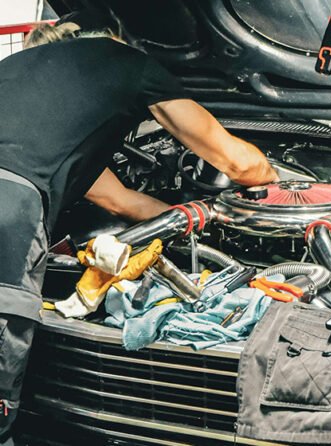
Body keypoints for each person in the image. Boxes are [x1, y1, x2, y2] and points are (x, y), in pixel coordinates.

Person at [0, 21, 278, 444]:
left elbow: (119, 200)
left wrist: (203, 227)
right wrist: (276, 185)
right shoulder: (130, 62)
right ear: (122, 40)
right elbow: (240, 164)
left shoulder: (27, 70)